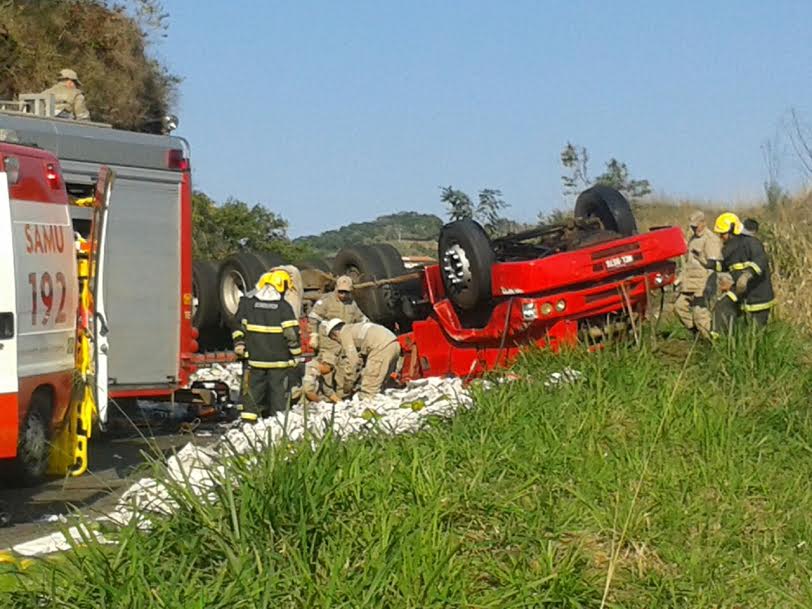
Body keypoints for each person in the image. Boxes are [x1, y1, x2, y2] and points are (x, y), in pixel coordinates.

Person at [232, 269, 302, 422]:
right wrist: (296, 355)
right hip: (278, 363)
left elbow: (237, 327)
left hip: (254, 361)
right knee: (278, 396)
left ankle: (249, 425)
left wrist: (239, 344)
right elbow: (291, 335)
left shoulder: (247, 304)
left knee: (252, 394)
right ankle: (277, 427)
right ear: (281, 287)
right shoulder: (284, 307)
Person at [712, 212, 775, 326]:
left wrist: (746, 275)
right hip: (743, 295)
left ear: (731, 230)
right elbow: (726, 266)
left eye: (722, 234)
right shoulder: (730, 248)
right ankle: (718, 341)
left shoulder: (751, 243)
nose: (720, 237)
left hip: (758, 297)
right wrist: (707, 263)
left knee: (755, 332)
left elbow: (760, 262)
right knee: (721, 308)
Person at [674, 211, 721, 339]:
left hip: (702, 284)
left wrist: (709, 286)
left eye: (696, 226)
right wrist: (680, 279)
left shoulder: (710, 240)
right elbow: (688, 262)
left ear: (703, 223)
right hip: (688, 283)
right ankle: (697, 333)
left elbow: (713, 265)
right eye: (692, 226)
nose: (694, 229)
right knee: (679, 307)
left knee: (700, 315)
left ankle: (710, 341)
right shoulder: (693, 239)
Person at [325, 319, 401, 399]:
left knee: (369, 389)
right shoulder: (354, 329)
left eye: (335, 340)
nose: (338, 342)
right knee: (382, 385)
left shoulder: (344, 334)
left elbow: (353, 361)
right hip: (393, 343)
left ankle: (368, 409)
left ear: (334, 335)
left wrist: (348, 383)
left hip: (380, 348)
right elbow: (360, 358)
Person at [308, 275, 368, 352]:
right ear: (336, 288)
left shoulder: (351, 303)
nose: (343, 295)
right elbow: (314, 317)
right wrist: (314, 335)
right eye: (341, 291)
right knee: (330, 359)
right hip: (327, 340)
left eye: (346, 292)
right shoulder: (327, 300)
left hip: (344, 338)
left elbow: (361, 319)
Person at [711, 273, 738, 338]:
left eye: (722, 281)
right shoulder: (719, 298)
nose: (720, 283)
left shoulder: (728, 300)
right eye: (719, 281)